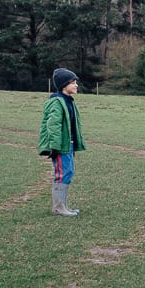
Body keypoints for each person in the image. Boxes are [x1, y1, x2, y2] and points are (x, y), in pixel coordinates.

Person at [38, 68, 87, 216]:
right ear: (64, 85)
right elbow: (53, 125)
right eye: (73, 83)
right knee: (62, 172)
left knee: (68, 171)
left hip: (69, 144)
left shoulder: (68, 101)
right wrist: (54, 146)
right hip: (60, 145)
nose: (76, 85)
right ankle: (58, 208)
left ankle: (63, 206)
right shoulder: (56, 102)